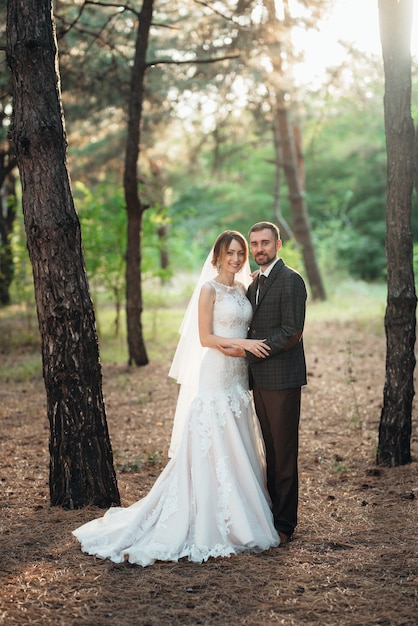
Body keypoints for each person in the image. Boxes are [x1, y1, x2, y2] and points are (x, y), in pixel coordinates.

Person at [72, 230, 280, 567]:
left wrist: (241, 346)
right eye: (230, 253)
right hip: (217, 372)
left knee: (238, 438)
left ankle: (242, 511)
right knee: (212, 439)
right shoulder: (208, 289)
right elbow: (207, 337)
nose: (237, 258)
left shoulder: (244, 288)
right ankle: (206, 514)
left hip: (238, 376)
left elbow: (244, 323)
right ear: (217, 256)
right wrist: (243, 347)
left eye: (241, 252)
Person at [219, 222, 307, 545]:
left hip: (282, 378)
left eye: (265, 243)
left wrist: (251, 353)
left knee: (284, 453)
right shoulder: (253, 284)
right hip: (258, 381)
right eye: (254, 244)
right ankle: (271, 515)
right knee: (268, 449)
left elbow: (292, 331)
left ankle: (285, 524)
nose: (258, 249)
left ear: (278, 244)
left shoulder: (291, 280)